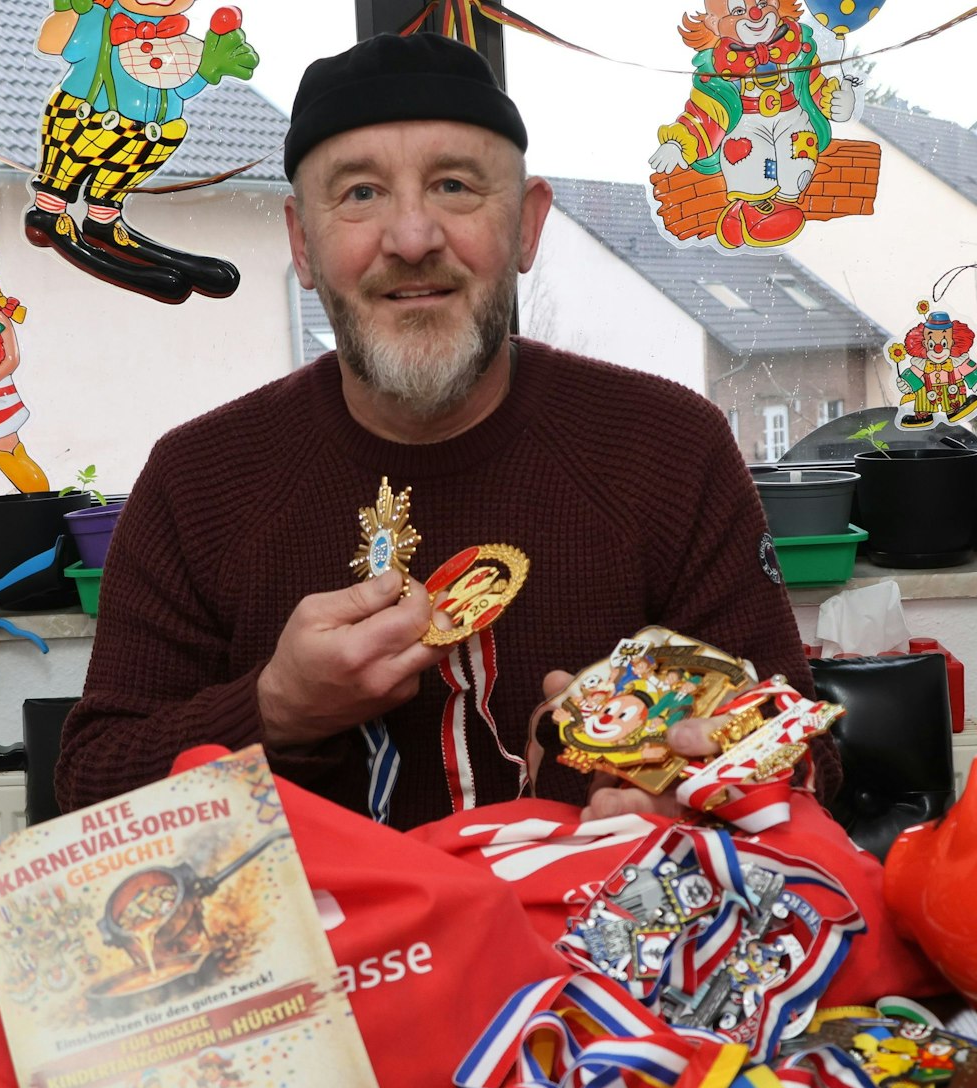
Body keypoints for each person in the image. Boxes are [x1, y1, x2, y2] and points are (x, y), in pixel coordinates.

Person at [57, 33, 833, 829]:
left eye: (455, 186)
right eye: (359, 194)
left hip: (595, 941)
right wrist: (275, 708)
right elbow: (87, 792)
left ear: (527, 227)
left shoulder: (672, 448)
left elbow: (806, 752)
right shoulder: (197, 481)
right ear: (302, 242)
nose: (412, 239)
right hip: (323, 954)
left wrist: (698, 783)